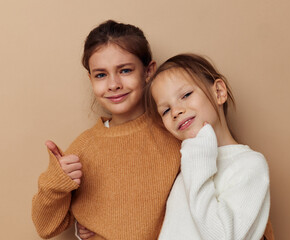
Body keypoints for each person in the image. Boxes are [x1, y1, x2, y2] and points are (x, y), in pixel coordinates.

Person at [31, 20, 181, 240]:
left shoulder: (175, 133)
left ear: (148, 72)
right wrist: (55, 184)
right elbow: (45, 228)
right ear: (90, 79)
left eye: (125, 70)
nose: (113, 84)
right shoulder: (84, 148)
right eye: (101, 75)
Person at [146, 53, 273, 240]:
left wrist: (198, 156)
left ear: (219, 92)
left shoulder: (250, 165)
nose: (176, 111)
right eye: (165, 110)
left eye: (186, 95)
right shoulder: (188, 164)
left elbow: (221, 236)